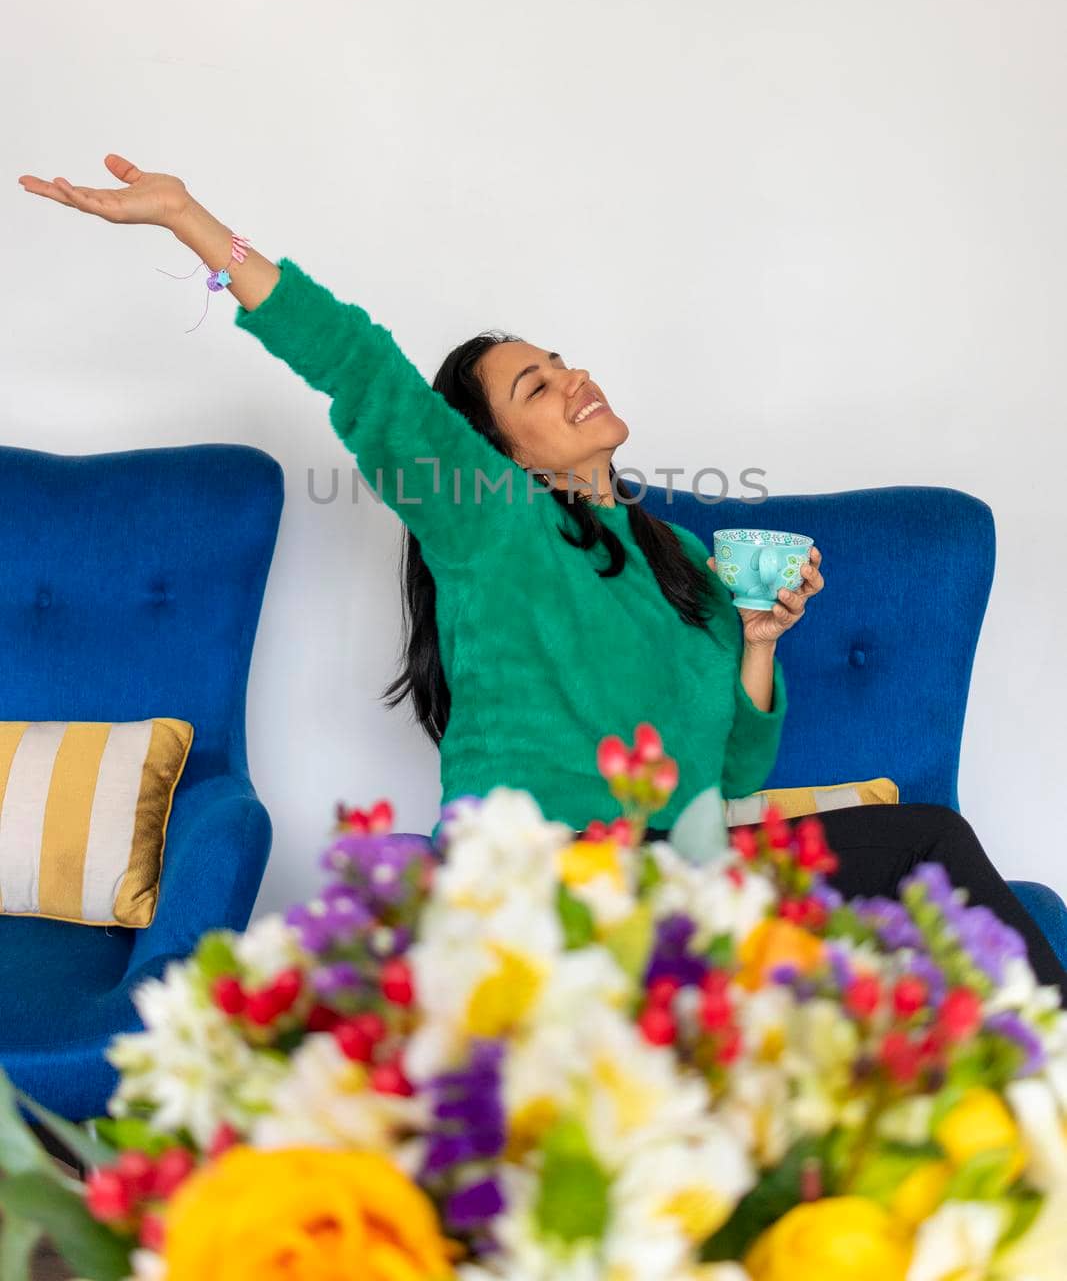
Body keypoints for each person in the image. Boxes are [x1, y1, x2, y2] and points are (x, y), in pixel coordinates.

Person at [18, 155, 1067, 1001]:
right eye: (535, 383)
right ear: (500, 451)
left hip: (672, 870)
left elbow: (734, 774)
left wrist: (755, 640)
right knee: (925, 843)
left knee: (913, 866)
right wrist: (193, 221)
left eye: (561, 362)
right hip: (544, 884)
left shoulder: (686, 562)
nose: (572, 379)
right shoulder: (493, 522)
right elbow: (361, 367)